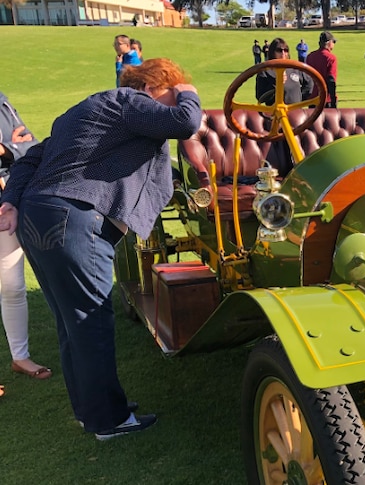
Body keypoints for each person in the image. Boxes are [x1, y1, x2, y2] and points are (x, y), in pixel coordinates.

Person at [0, 58, 202, 440]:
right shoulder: (130, 101)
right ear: (153, 87)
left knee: (70, 320)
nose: (173, 100)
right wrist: (188, 94)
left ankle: (91, 410)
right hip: (75, 219)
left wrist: (10, 200)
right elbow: (186, 123)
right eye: (170, 92)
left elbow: (30, 161)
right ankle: (109, 421)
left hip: (37, 216)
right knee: (91, 320)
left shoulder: (81, 111)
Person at [0, 91, 52, 381]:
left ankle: (20, 357)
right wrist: (10, 147)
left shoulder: (2, 100)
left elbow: (31, 145)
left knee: (13, 285)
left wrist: (6, 150)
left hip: (6, 201)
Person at [255, 38, 313, 173]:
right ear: (272, 52)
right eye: (279, 50)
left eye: (286, 50)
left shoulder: (295, 68)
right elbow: (260, 96)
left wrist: (300, 100)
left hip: (297, 116)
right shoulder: (266, 71)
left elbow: (309, 84)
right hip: (276, 118)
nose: (283, 53)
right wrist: (276, 85)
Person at [306, 32, 338, 108]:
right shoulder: (331, 58)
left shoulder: (310, 56)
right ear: (329, 43)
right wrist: (333, 99)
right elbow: (331, 80)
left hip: (312, 98)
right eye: (334, 42)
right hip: (326, 99)